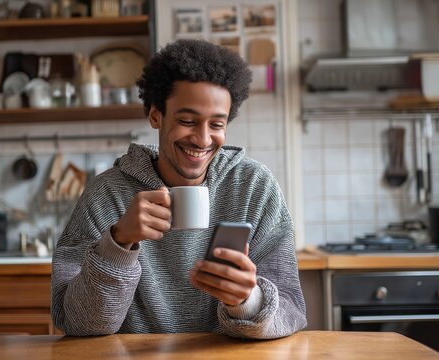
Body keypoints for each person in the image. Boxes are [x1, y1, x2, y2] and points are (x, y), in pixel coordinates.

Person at [51, 39, 307, 339]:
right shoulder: (107, 194)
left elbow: (291, 311)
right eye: (187, 120)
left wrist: (245, 301)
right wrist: (119, 243)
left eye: (216, 125)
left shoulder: (254, 188)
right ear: (156, 115)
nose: (202, 139)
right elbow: (75, 322)